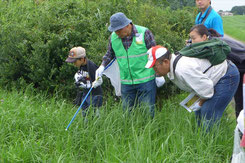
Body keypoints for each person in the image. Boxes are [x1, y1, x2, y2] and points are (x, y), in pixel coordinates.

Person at [145, 45, 240, 130]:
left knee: (208, 112)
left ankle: (209, 145)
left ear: (165, 62)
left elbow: (207, 89)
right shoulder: (172, 68)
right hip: (209, 80)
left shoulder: (183, 69)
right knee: (198, 112)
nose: (155, 71)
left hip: (226, 75)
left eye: (155, 67)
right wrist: (197, 103)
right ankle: (200, 140)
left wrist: (200, 102)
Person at [93, 12, 157, 117]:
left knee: (147, 111)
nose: (117, 33)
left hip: (145, 80)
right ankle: (130, 132)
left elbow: (155, 54)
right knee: (127, 113)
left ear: (128, 25)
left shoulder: (144, 32)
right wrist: (102, 66)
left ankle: (148, 132)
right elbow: (110, 54)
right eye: (115, 30)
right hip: (126, 82)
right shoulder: (113, 38)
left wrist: (158, 75)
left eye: (119, 30)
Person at [191, 24, 245, 119]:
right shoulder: (210, 43)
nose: (191, 42)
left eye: (193, 38)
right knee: (239, 101)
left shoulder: (214, 47)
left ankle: (240, 130)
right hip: (239, 66)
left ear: (204, 37)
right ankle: (239, 130)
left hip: (242, 65)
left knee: (241, 102)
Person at [65, 46, 103, 118]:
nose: (74, 63)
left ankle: (96, 127)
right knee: (84, 113)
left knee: (94, 115)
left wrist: (95, 83)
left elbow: (99, 80)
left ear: (82, 59)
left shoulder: (91, 67)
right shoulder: (81, 66)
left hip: (94, 94)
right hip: (85, 93)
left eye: (75, 61)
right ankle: (85, 126)